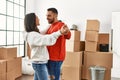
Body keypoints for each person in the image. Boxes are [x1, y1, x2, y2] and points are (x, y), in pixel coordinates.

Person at [23, 13, 70, 80]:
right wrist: (60, 32)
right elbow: (47, 39)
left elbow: (42, 32)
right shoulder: (33, 35)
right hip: (39, 64)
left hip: (39, 63)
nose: (39, 19)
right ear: (33, 20)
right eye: (37, 17)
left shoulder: (33, 33)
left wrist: (51, 24)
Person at [46, 8, 71, 80]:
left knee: (54, 78)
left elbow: (68, 36)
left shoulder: (61, 25)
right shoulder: (50, 26)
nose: (47, 18)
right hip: (49, 57)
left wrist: (67, 31)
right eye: (46, 16)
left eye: (49, 16)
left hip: (56, 58)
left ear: (55, 15)